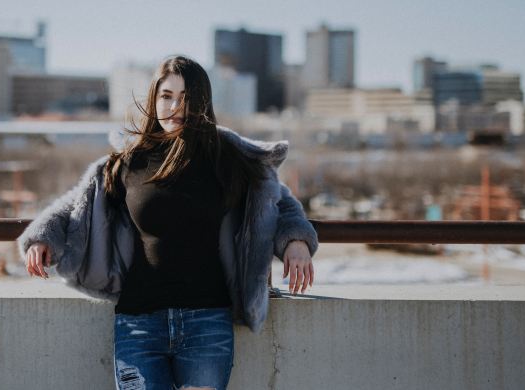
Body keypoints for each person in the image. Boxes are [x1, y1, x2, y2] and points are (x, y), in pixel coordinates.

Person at [18, 55, 318, 390]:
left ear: (202, 103)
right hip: (138, 324)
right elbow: (77, 204)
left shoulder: (227, 159)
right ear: (154, 99)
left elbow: (278, 201)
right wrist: (43, 237)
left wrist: (295, 241)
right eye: (167, 96)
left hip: (207, 324)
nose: (175, 107)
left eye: (186, 98)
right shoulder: (128, 162)